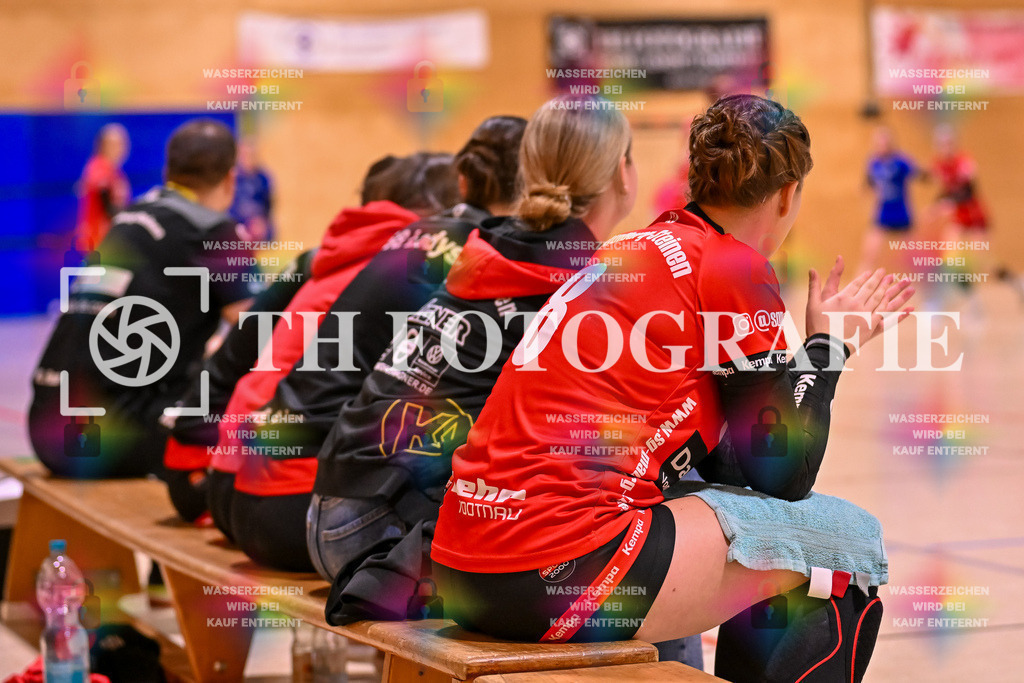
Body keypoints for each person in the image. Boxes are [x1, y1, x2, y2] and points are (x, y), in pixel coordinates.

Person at [431, 95, 914, 682]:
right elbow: (786, 475)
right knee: (848, 546)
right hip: (549, 568)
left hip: (463, 563)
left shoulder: (632, 249)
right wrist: (829, 348)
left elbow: (738, 466)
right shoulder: (732, 266)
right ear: (788, 195)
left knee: (763, 531)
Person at [310, 96, 632, 621]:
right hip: (380, 532)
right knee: (636, 522)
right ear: (623, 171)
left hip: (332, 508)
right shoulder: (578, 284)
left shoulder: (488, 245)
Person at [214, 118, 526, 573]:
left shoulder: (369, 246)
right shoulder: (475, 254)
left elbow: (237, 349)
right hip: (299, 498)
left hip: (242, 476)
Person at [166, 152, 459, 542]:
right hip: (273, 487)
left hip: (231, 469)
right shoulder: (406, 267)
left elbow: (233, 355)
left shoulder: (325, 258)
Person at [29, 119, 256, 478]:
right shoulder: (214, 232)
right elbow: (260, 331)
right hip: (109, 441)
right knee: (255, 408)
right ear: (231, 178)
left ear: (169, 172)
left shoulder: (130, 218)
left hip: (45, 430)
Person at [860, 125, 919, 271]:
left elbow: (918, 173)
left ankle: (923, 279)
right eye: (878, 143)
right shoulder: (874, 163)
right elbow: (869, 182)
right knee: (870, 252)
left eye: (884, 143)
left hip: (902, 212)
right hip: (883, 213)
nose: (881, 146)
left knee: (912, 256)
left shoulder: (900, 162)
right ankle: (861, 277)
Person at [74, 123, 131, 253]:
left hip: (107, 242)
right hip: (99, 242)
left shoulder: (113, 171)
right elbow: (107, 205)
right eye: (117, 144)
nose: (122, 148)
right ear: (103, 145)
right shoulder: (99, 167)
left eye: (124, 144)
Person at [229, 139, 275, 242]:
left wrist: (261, 223)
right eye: (244, 155)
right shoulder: (232, 178)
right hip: (237, 225)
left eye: (251, 154)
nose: (248, 158)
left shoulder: (263, 178)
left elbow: (268, 205)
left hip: (259, 226)